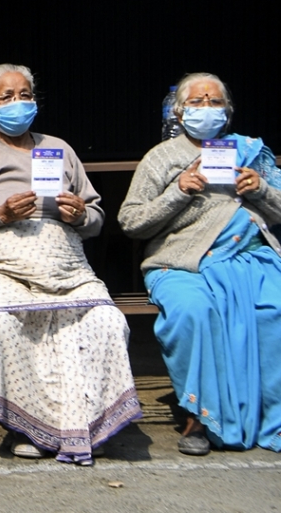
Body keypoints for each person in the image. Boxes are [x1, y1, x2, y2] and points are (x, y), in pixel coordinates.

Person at [0, 64, 141, 465]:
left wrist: (80, 213)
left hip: (65, 266)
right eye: (6, 97)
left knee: (107, 321)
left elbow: (96, 220)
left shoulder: (60, 149)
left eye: (25, 95)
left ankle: (82, 425)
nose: (18, 103)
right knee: (1, 323)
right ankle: (28, 428)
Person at [119, 72, 281, 456]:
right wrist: (179, 191)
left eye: (214, 102)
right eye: (196, 102)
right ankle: (200, 416)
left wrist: (261, 191)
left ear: (227, 112)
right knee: (193, 311)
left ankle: (272, 416)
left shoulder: (251, 152)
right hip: (180, 264)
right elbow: (131, 221)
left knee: (275, 308)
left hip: (250, 257)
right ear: (179, 112)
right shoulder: (161, 158)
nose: (206, 109)